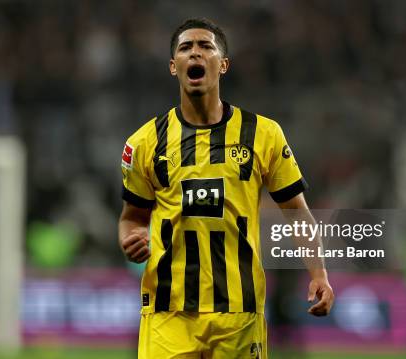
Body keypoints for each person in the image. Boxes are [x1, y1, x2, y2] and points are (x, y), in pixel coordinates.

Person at [118, 18, 334, 359]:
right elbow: (131, 218)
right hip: (167, 313)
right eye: (186, 48)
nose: (196, 53)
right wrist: (130, 239)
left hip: (239, 313)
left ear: (224, 64)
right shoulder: (145, 142)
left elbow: (297, 212)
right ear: (174, 67)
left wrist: (319, 273)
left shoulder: (263, 134)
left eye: (206, 46)